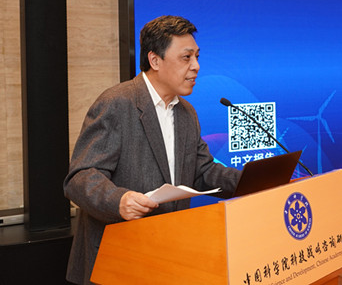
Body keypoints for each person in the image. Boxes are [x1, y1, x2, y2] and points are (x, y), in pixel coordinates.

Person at [64, 15, 241, 284]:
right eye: (186, 57)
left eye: (197, 56)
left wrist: (255, 180)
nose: (196, 66)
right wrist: (119, 200)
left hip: (167, 255)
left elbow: (203, 171)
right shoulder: (117, 103)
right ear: (155, 60)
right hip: (118, 259)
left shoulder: (186, 112)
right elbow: (80, 177)